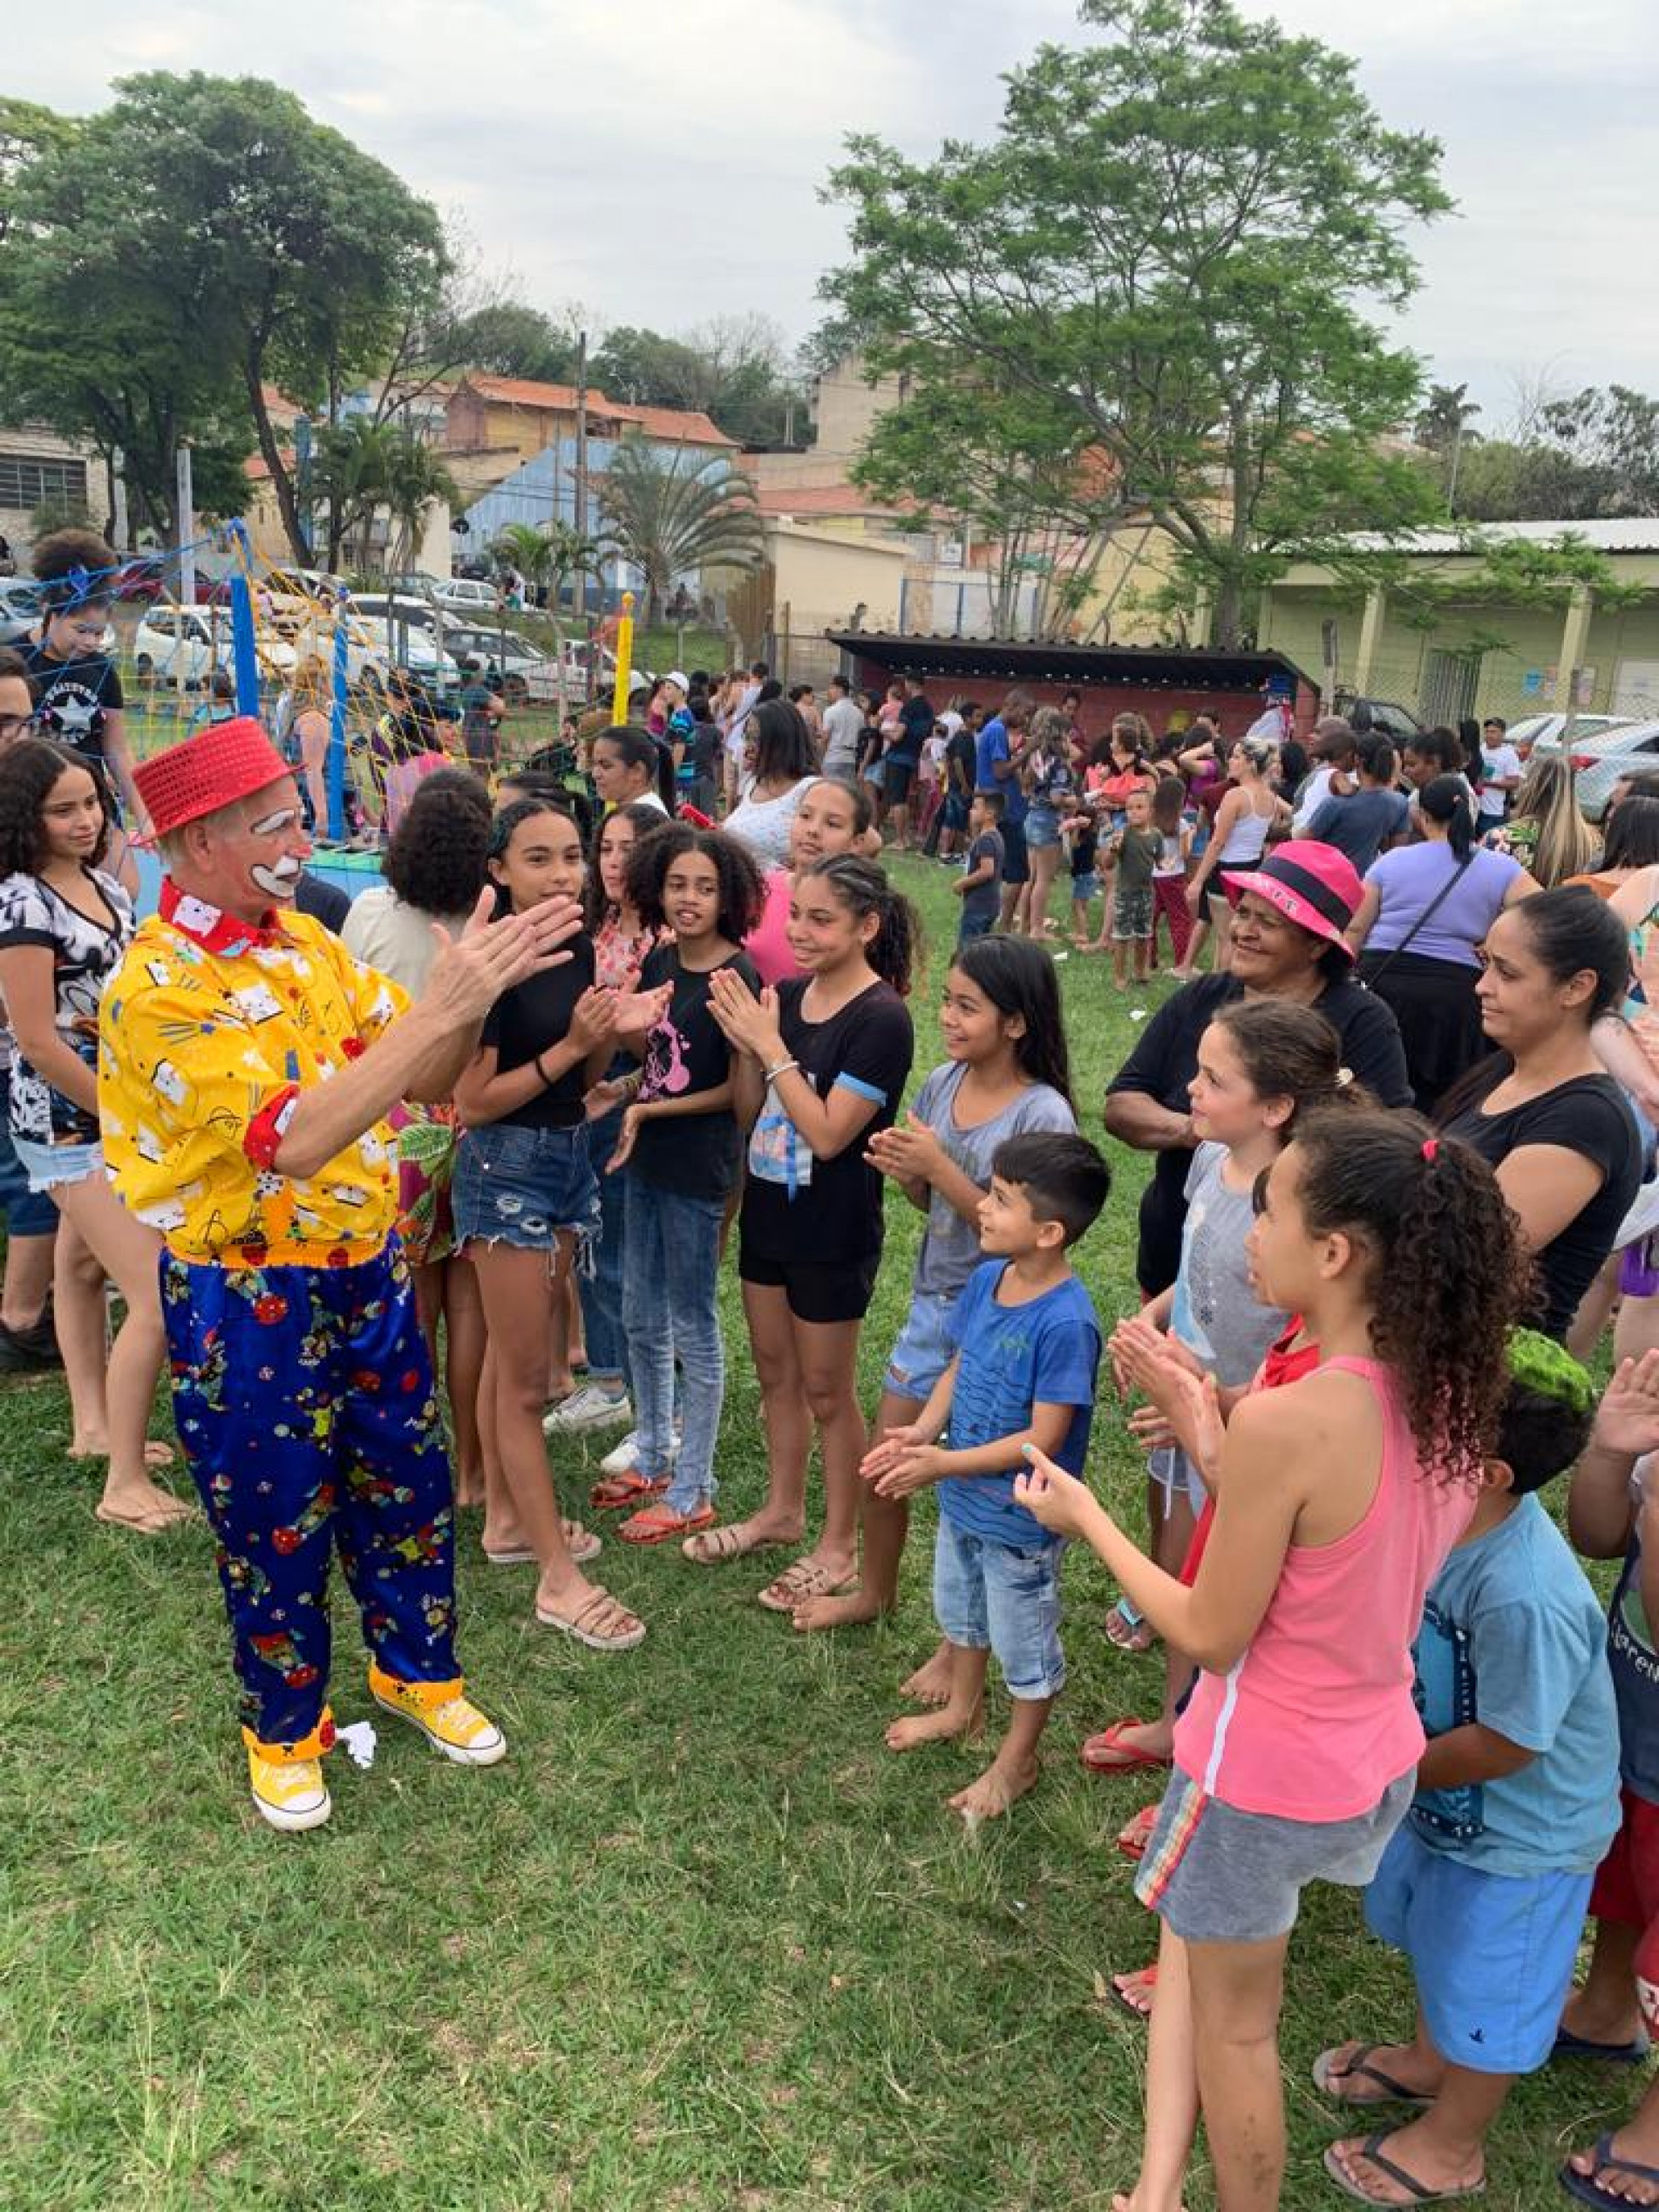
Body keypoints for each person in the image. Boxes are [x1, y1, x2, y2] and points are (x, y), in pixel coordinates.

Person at [1017, 1108, 1529, 2212]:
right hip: (1368, 1757)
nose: (1250, 1231)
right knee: (1195, 1954)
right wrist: (1203, 1418)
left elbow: (1208, 1631)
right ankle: (1156, 2188)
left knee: (1235, 2029)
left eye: (1270, 1211)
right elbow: (1324, 1545)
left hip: (1253, 1773)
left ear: (1335, 1252)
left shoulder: (1292, 1418)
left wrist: (1091, 1521)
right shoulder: (1440, 1391)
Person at [99, 718, 568, 1828]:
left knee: (402, 1481)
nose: (301, 836)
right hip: (246, 1295)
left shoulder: (310, 946)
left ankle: (417, 1670)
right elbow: (295, 1138)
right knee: (273, 1511)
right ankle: (284, 1724)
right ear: (199, 840)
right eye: (277, 820)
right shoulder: (154, 987)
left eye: (297, 814)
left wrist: (468, 997)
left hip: (367, 1269)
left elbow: (421, 1077)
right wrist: (443, 1011)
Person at [1318, 1337, 1618, 2208]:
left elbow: (1514, 1739)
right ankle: (1424, 2059)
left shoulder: (1525, 1592)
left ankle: (1454, 2144)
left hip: (1525, 1832)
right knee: (1439, 1936)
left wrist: (1389, 1763)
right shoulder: (1432, 1516)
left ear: (1484, 1470)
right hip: (1447, 1798)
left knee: (1493, 1984)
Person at [803, 936, 1076, 1656]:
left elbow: (1024, 1235)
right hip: (937, 1308)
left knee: (986, 1492)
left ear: (1016, 1022)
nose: (948, 1017)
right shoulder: (941, 1082)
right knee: (888, 1458)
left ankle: (964, 1645)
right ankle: (875, 1589)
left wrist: (938, 1166)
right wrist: (908, 1172)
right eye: (946, 1001)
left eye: (966, 1005)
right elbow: (936, 1206)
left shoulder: (1040, 1114)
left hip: (1010, 1316)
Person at [861, 1133, 1107, 1820]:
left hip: (1021, 1517)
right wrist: (923, 1431)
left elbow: (1043, 1437)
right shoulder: (984, 1279)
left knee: (1023, 1640)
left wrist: (942, 1462)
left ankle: (1017, 1758)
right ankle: (964, 1710)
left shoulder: (1066, 1322)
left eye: (1000, 1201)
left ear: (1050, 1231)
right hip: (964, 1498)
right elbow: (959, 1366)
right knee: (963, 1613)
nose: (983, 1211)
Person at [453, 796, 645, 1655]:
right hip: (507, 1170)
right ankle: (555, 1580)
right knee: (529, 1381)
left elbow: (585, 1068)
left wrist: (608, 1032)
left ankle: (506, 1520)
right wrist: (572, 1048)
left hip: (566, 1159)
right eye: (538, 858)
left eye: (571, 855)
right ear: (497, 870)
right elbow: (472, 1102)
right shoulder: (484, 964)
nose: (563, 873)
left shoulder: (570, 943)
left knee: (511, 1358)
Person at [699, 858, 916, 1609]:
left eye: (821, 919)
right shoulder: (786, 996)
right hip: (768, 1211)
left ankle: (838, 1542)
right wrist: (743, 1040)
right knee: (775, 1375)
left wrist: (771, 1044)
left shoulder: (881, 1018)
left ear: (866, 927)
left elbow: (828, 1135)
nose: (800, 931)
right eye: (797, 916)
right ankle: (781, 1512)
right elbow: (750, 1110)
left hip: (833, 1223)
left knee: (826, 1388)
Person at [0, 740, 177, 1533]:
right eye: (63, 808)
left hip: (112, 1105)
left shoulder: (107, 885)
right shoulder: (20, 904)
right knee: (155, 1295)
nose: (84, 819)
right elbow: (36, 1038)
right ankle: (125, 1480)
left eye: (91, 803)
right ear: (25, 817)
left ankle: (95, 1427)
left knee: (78, 1266)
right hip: (65, 1118)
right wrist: (118, 1112)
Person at [1105, 841, 1411, 1297]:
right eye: (1243, 913)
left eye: (1267, 921)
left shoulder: (1363, 1022)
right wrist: (1197, 1129)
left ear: (1314, 944)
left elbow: (1383, 1151)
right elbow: (1121, 1105)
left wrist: (1258, 1142)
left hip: (1290, 1283)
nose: (1243, 930)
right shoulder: (1203, 997)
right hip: (1176, 1246)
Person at [595, 825, 763, 1546]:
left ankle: (695, 1485)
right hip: (646, 1156)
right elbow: (663, 1061)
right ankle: (656, 1454)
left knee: (692, 1321)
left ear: (727, 896)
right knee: (638, 1312)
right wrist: (626, 1086)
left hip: (697, 1167)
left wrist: (646, 1105)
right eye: (677, 885)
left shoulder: (736, 976)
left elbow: (730, 1090)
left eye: (704, 886)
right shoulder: (663, 959)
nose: (689, 898)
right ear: (656, 888)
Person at [341, 768, 493, 1514]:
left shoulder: (368, 911)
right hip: (477, 1119)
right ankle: (472, 1469)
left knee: (412, 1312)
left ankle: (410, 1465)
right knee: (470, 1313)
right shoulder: (490, 924)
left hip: (392, 1125)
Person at [1438, 887, 1642, 1340]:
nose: (1482, 985)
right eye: (1484, 963)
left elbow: (1468, 1257)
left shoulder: (1585, 1118)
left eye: (1507, 973)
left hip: (1492, 1379)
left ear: (1577, 987)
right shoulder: (1502, 1071)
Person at [1560, 1349, 1659, 2209]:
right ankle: (1603, 2009)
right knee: (1625, 1882)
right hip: (1634, 1726)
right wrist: (1612, 1453)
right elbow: (1595, 1537)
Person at [546, 802, 668, 1464]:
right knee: (592, 1240)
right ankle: (611, 1373)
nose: (615, 860)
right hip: (582, 1089)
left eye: (630, 848)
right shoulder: (591, 925)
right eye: (607, 846)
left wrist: (614, 1033)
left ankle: (637, 1389)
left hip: (628, 1091)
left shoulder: (665, 939)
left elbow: (663, 1040)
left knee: (621, 1243)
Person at [1349, 774, 1539, 1113]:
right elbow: (1544, 912)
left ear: (1421, 815)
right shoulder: (1502, 868)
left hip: (1384, 980)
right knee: (1445, 1099)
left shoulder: (1391, 861)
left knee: (1373, 1089)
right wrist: (1494, 942)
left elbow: (1356, 929)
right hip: (1456, 996)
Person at [0, 652, 61, 1372]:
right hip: (24, 1033)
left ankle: (24, 1311)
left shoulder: (35, 797)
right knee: (30, 1173)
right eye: (1, 720)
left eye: (21, 718)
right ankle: (21, 1317)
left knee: (30, 1171)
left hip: (23, 1031)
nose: (14, 734)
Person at [22, 527, 148, 835]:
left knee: (124, 884)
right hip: (33, 808)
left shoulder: (101, 670)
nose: (91, 642)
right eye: (81, 631)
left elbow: (117, 750)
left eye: (99, 633)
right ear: (48, 612)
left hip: (92, 806)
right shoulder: (16, 662)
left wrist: (144, 818)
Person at [1182, 738, 1289, 972]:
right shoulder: (1269, 796)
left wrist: (1198, 880)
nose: (1230, 761)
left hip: (1227, 869)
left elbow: (1218, 841)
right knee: (1235, 933)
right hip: (1252, 868)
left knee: (1225, 936)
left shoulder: (1237, 795)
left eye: (1237, 756)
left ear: (1251, 763)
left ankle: (1223, 989)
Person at [724, 698, 819, 868]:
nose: (748, 747)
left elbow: (870, 842)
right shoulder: (754, 783)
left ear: (782, 742)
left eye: (756, 739)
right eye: (746, 736)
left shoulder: (810, 789)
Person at [1486, 749, 1601, 888]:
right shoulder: (1592, 840)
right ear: (1571, 788)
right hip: (1568, 908)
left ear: (1531, 786)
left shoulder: (1501, 836)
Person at [1305, 733, 1409, 873]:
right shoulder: (1399, 803)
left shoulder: (1336, 804)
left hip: (1328, 882)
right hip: (1366, 885)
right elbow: (1396, 856)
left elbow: (1301, 842)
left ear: (1357, 759)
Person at [1021, 705, 1076, 937]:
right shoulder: (1059, 763)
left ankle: (1025, 924)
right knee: (1044, 879)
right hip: (1047, 820)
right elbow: (1056, 798)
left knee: (1031, 878)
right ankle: (1037, 928)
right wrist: (1076, 800)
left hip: (1031, 816)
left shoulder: (1034, 756)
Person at [1105, 784, 1161, 989]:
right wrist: (1113, 849)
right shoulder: (1124, 834)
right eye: (1129, 808)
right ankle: (1119, 975)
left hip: (1146, 893)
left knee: (1144, 935)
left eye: (1139, 807)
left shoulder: (1156, 835)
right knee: (1122, 936)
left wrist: (1166, 864)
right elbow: (1107, 865)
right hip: (1125, 894)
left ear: (1151, 811)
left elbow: (1159, 860)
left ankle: (1139, 970)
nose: (1133, 812)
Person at [1147, 775, 1195, 973]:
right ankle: (1182, 960)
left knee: (1150, 918)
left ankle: (1149, 958)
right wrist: (1191, 834)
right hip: (1174, 875)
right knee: (1180, 919)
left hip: (1153, 874)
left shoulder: (1151, 820)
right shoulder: (1180, 823)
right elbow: (1185, 853)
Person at [590, 724, 675, 817]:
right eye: (594, 764)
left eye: (606, 766)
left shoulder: (641, 820)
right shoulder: (636, 812)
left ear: (637, 771)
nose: (595, 774)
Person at [1290, 718, 1359, 833]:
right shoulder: (1324, 771)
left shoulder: (1335, 774)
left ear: (1336, 741)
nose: (1310, 736)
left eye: (1318, 733)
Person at [955, 790, 1004, 946]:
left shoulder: (986, 840)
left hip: (979, 905)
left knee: (968, 952)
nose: (971, 811)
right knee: (981, 950)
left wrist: (962, 883)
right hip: (990, 904)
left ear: (989, 814)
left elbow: (987, 871)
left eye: (976, 808)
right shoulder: (995, 836)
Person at [938, 703, 980, 861]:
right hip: (962, 787)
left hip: (954, 785)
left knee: (950, 820)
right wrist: (964, 785)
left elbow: (948, 755)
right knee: (961, 822)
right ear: (968, 718)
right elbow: (957, 760)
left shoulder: (958, 735)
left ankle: (945, 854)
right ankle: (957, 854)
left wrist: (951, 777)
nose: (980, 720)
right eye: (977, 716)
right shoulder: (965, 736)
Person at [1478, 715, 1522, 834]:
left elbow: (1514, 783)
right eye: (1487, 732)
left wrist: (1488, 783)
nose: (1489, 735)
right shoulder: (1481, 749)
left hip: (1494, 812)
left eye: (1493, 732)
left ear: (1502, 734)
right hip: (1476, 808)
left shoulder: (1509, 754)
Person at [458, 657, 504, 770]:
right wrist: (496, 705)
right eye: (481, 669)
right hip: (481, 739)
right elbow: (501, 708)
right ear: (474, 674)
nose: (483, 672)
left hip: (471, 737)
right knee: (483, 774)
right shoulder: (477, 690)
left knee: (478, 772)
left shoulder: (466, 689)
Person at [819, 673, 863, 779]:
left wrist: (820, 760)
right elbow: (861, 736)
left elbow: (825, 738)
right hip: (851, 759)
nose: (829, 691)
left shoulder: (831, 710)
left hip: (833, 758)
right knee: (846, 793)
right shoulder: (859, 712)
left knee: (830, 792)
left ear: (839, 689)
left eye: (831, 688)